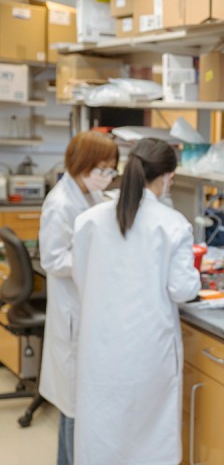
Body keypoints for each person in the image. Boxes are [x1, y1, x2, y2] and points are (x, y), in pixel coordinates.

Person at [70, 138, 200, 465]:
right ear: (168, 177)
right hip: (148, 355)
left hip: (99, 351)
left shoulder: (90, 220)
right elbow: (182, 290)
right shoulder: (172, 224)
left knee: (101, 434)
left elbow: (81, 276)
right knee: (148, 443)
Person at [38, 130, 118, 465]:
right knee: (74, 407)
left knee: (75, 406)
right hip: (71, 314)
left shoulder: (90, 197)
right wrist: (94, 260)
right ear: (81, 164)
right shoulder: (61, 203)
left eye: (111, 169)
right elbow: (53, 260)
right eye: (101, 168)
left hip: (85, 310)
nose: (106, 176)